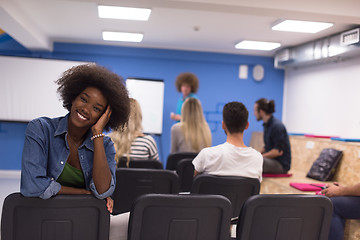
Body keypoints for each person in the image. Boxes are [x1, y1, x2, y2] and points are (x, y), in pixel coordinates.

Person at [20, 64, 131, 238]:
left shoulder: (105, 145)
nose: (86, 109)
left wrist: (97, 134)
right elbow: (32, 186)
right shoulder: (41, 129)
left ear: (104, 116)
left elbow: (102, 191)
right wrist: (85, 194)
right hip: (42, 220)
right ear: (73, 97)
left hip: (81, 223)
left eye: (97, 108)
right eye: (83, 99)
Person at [193, 101, 263, 181]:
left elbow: (191, 183)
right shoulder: (257, 158)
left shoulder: (207, 155)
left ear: (223, 125)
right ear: (247, 125)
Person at [110, 98, 160, 167]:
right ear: (139, 117)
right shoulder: (147, 142)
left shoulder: (109, 141)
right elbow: (157, 171)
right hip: (143, 178)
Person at [254, 98, 291, 174]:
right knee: (252, 159)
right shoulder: (267, 125)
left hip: (281, 165)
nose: (254, 113)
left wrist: (260, 157)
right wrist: (255, 154)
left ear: (261, 111)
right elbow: (267, 146)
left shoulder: (277, 126)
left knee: (256, 162)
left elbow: (277, 152)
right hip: (272, 161)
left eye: (255, 111)